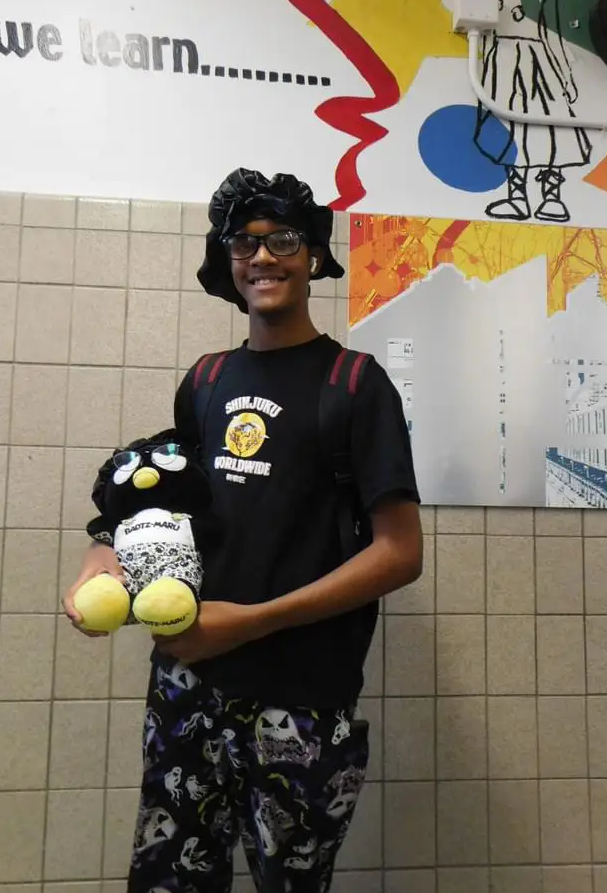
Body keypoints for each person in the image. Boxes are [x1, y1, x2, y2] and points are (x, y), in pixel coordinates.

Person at [63, 168, 423, 893]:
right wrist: (103, 553)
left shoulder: (356, 385)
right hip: (187, 683)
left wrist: (251, 622)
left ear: (314, 256)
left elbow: (399, 554)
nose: (262, 257)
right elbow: (159, 496)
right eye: (244, 242)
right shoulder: (205, 381)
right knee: (168, 878)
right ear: (226, 260)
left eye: (283, 239)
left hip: (302, 698)